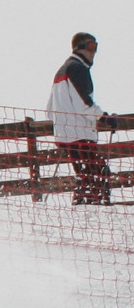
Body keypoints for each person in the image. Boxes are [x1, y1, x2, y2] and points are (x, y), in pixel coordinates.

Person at [49, 33, 112, 206]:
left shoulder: (62, 71)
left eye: (96, 47)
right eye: (91, 47)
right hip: (80, 133)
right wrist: (102, 117)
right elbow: (83, 103)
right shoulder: (78, 68)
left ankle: (85, 204)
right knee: (99, 172)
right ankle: (92, 206)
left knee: (86, 174)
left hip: (66, 134)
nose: (94, 52)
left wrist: (60, 126)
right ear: (79, 48)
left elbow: (49, 108)